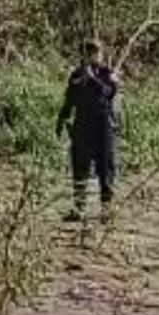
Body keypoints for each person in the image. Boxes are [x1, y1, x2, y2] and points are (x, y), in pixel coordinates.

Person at [56, 39, 121, 220]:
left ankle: (107, 210)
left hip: (102, 125)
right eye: (89, 52)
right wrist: (61, 119)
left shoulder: (108, 73)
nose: (93, 55)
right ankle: (79, 208)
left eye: (96, 52)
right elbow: (69, 99)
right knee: (79, 166)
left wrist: (92, 79)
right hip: (82, 124)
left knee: (105, 167)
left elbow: (108, 92)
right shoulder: (76, 75)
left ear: (101, 54)